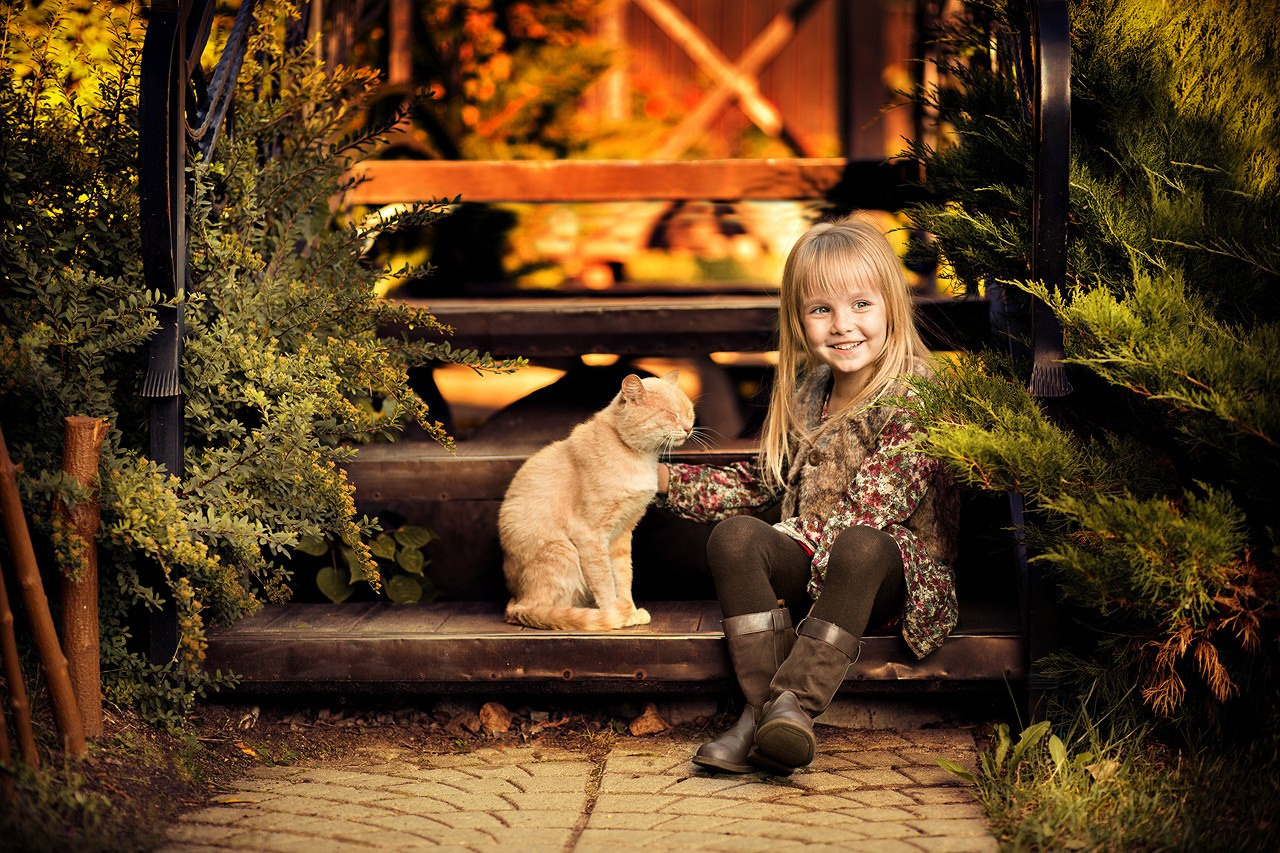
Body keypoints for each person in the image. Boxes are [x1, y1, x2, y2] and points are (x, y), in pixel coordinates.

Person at [656, 216, 959, 774]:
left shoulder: (918, 394)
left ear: (892, 304)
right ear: (798, 319)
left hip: (891, 577)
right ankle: (766, 715)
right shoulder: (807, 391)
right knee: (737, 538)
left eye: (861, 305)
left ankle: (794, 702)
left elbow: (875, 508)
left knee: (862, 545)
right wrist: (660, 482)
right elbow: (761, 481)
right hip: (817, 566)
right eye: (821, 309)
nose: (843, 326)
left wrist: (795, 540)